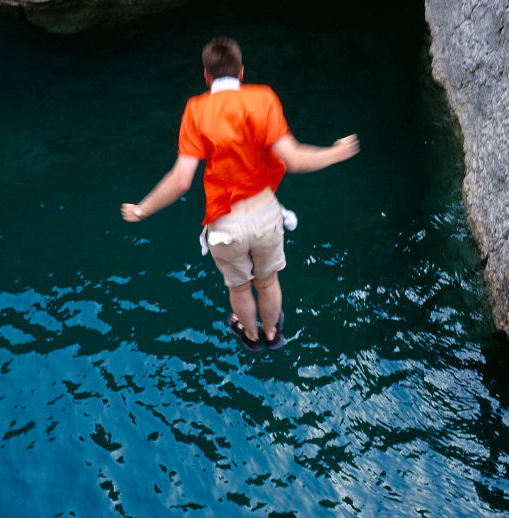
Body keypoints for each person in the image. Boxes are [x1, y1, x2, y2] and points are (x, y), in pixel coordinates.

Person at [120, 38, 359, 351]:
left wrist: (141, 210)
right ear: (241, 72)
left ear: (206, 76)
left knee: (240, 288)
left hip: (225, 225)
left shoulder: (195, 110)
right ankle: (272, 334)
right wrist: (336, 153)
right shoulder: (264, 98)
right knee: (268, 281)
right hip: (265, 215)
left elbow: (180, 181)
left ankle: (250, 334)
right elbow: (296, 159)